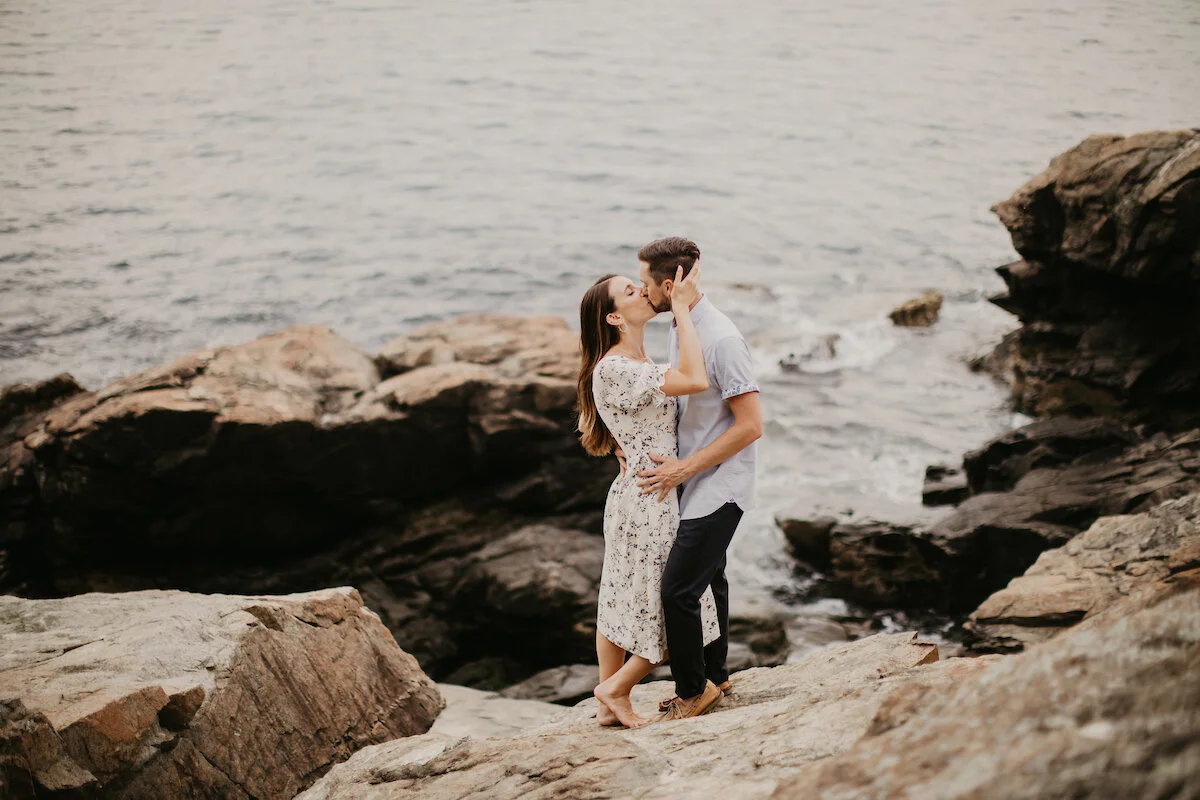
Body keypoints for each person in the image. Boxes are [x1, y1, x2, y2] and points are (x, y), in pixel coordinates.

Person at [576, 265, 719, 728]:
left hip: (638, 493)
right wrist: (682, 310)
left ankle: (606, 703)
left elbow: (606, 420)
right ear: (615, 318)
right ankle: (615, 688)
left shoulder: (628, 365)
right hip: (651, 500)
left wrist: (627, 446)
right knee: (666, 602)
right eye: (631, 291)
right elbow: (695, 379)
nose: (644, 292)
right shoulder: (617, 366)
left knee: (620, 597)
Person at [634, 237, 762, 721]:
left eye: (645, 284)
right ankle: (718, 674)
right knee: (713, 578)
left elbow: (751, 426)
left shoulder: (722, 339)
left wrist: (685, 469)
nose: (642, 293)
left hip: (721, 484)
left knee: (678, 592)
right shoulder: (681, 324)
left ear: (669, 285)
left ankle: (692, 692)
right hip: (692, 479)